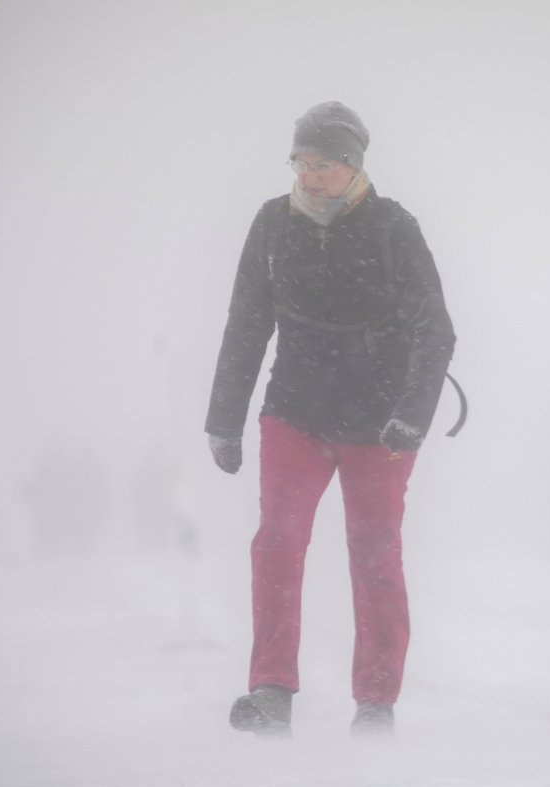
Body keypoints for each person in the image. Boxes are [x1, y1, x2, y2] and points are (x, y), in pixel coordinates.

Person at [204, 102, 456, 738]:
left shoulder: (392, 226)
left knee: (374, 555)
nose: (309, 176)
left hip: (379, 422)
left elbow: (437, 330)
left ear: (353, 167)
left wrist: (413, 417)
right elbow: (247, 322)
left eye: (323, 164)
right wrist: (225, 418)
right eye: (301, 162)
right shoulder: (272, 223)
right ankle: (270, 692)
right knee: (277, 542)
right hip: (296, 410)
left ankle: (375, 704)